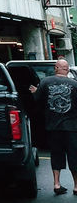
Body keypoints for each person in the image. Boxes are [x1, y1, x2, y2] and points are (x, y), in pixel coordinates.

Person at [30, 58, 77, 195]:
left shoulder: (45, 82)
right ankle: (76, 186)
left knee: (56, 155)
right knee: (74, 156)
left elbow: (36, 100)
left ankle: (56, 184)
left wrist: (34, 92)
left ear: (56, 68)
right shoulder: (74, 84)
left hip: (53, 126)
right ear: (67, 69)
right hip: (71, 127)